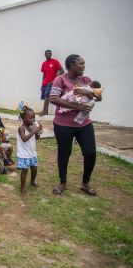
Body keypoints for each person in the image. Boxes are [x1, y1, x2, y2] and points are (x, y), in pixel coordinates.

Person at [49, 54, 102, 196]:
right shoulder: (60, 80)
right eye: (81, 64)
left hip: (84, 123)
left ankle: (85, 183)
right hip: (63, 124)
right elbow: (53, 98)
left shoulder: (86, 80)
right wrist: (77, 107)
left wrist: (86, 91)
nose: (84, 66)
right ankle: (62, 182)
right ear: (72, 65)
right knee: (64, 152)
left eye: (84, 64)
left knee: (90, 152)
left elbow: (99, 97)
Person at [17, 107, 42, 195]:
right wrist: (34, 131)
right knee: (25, 171)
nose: (33, 119)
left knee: (34, 168)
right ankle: (22, 187)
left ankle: (32, 181)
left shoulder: (32, 127)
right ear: (23, 118)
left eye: (34, 117)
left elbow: (37, 138)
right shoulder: (21, 128)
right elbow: (24, 139)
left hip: (32, 153)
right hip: (24, 154)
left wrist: (38, 131)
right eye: (30, 117)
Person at [39, 50, 63, 116]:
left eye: (49, 53)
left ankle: (44, 111)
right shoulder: (44, 63)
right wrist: (42, 84)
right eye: (47, 53)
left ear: (51, 54)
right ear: (44, 55)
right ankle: (45, 111)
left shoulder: (55, 62)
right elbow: (44, 74)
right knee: (45, 97)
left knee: (47, 96)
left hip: (51, 83)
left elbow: (62, 71)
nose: (48, 54)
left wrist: (54, 80)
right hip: (45, 83)